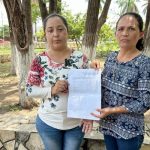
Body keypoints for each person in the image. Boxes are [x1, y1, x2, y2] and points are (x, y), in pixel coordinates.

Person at [26, 13, 93, 150]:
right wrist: (52, 90)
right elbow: (29, 89)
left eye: (60, 29)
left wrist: (88, 115)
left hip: (76, 124)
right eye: (50, 30)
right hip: (48, 122)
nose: (56, 34)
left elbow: (90, 91)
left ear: (67, 31)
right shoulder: (39, 60)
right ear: (45, 34)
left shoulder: (81, 58)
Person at [91, 12, 150, 150]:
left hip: (129, 130)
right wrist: (91, 72)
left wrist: (112, 110)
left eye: (131, 28)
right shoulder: (111, 57)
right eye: (121, 29)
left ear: (141, 34)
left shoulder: (144, 63)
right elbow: (102, 87)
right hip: (107, 124)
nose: (125, 33)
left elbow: (145, 102)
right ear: (116, 33)